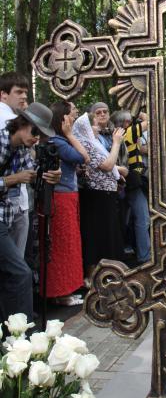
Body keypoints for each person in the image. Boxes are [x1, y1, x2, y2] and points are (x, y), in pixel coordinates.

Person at [0, 102, 60, 322]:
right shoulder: (1, 140)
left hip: (5, 216)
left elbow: (34, 173)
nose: (37, 138)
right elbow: (19, 177)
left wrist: (52, 175)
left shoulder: (23, 149)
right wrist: (12, 180)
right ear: (22, 124)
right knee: (21, 273)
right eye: (35, 131)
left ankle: (9, 332)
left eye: (41, 135)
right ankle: (22, 336)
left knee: (8, 275)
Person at [39, 101, 89, 306]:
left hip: (67, 196)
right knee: (61, 244)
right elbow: (83, 157)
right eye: (71, 115)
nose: (74, 118)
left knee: (69, 243)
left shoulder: (58, 140)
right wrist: (69, 134)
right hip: (59, 198)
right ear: (62, 118)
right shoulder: (57, 141)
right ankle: (59, 292)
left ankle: (67, 290)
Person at [73, 113, 126, 284]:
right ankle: (94, 277)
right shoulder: (86, 143)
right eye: (93, 124)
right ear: (86, 128)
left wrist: (118, 174)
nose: (97, 126)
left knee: (108, 235)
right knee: (96, 237)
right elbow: (107, 165)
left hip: (106, 195)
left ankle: (110, 273)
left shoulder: (94, 143)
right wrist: (116, 142)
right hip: (96, 196)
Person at [112, 110, 151, 265]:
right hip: (133, 180)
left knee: (126, 218)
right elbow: (149, 121)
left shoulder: (118, 134)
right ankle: (145, 256)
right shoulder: (129, 131)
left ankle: (131, 249)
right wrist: (140, 113)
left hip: (125, 181)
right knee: (143, 219)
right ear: (126, 123)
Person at [0, 72, 31, 255]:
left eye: (26, 92)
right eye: (19, 92)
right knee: (16, 267)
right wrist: (13, 179)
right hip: (13, 204)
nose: (24, 97)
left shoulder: (17, 119)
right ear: (3, 94)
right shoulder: (10, 123)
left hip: (14, 203)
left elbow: (29, 164)